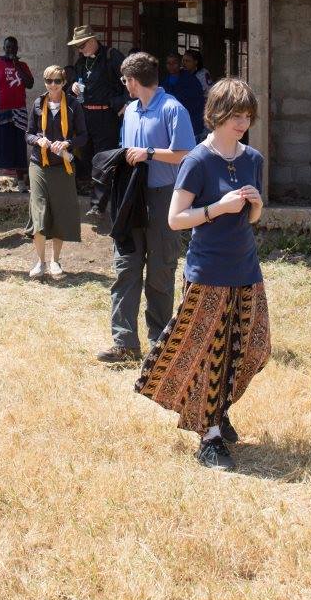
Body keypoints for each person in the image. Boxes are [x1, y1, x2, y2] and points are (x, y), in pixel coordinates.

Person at [136, 78, 268, 471]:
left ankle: (218, 407)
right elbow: (176, 219)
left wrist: (255, 207)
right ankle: (208, 434)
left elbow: (252, 219)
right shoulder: (197, 160)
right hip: (208, 271)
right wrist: (217, 209)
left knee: (252, 349)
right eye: (236, 115)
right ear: (217, 114)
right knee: (208, 352)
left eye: (247, 115)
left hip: (246, 268)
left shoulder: (252, 159)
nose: (243, 122)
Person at [97, 51, 196, 364]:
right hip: (131, 196)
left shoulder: (173, 109)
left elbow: (185, 154)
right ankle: (124, 343)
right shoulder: (129, 112)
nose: (125, 85)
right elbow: (129, 153)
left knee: (160, 272)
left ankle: (159, 345)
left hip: (165, 197)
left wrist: (149, 153)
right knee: (125, 267)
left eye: (125, 80)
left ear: (133, 80)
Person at [26, 64, 87, 278]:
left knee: (60, 212)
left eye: (57, 81)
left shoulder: (72, 105)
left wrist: (67, 143)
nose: (53, 85)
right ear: (44, 82)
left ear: (64, 83)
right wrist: (38, 140)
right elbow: (28, 134)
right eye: (49, 81)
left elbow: (83, 136)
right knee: (39, 212)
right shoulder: (38, 103)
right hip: (39, 164)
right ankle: (40, 262)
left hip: (63, 165)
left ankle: (55, 262)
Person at [68, 25, 126, 215]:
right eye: (77, 46)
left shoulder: (111, 56)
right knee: (85, 157)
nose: (80, 49)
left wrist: (125, 104)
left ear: (93, 40)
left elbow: (129, 79)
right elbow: (76, 82)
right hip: (85, 116)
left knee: (103, 159)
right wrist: (74, 86)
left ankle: (97, 205)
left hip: (106, 116)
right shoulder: (81, 62)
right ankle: (93, 194)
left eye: (82, 45)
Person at [0, 36, 35, 192]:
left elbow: (30, 84)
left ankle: (21, 181)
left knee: (19, 145)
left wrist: (17, 66)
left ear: (17, 49)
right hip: (1, 110)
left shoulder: (22, 65)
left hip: (19, 111)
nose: (10, 50)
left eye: (13, 47)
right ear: (4, 48)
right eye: (8, 47)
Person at [163, 51, 206, 142]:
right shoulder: (164, 81)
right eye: (168, 63)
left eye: (174, 63)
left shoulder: (191, 80)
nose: (171, 65)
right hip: (171, 125)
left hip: (191, 124)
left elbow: (197, 102)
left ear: (180, 64)